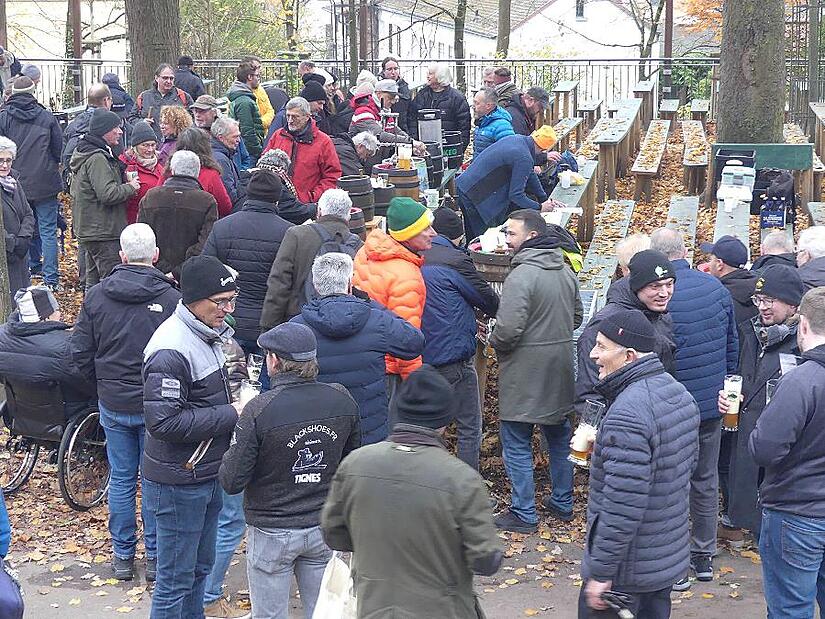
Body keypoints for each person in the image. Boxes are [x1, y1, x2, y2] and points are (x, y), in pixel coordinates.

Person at [321, 365, 503, 617]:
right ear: (444, 421)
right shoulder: (461, 479)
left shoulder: (354, 465)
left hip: (374, 607)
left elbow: (334, 535)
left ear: (398, 410)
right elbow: (487, 560)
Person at [219, 322, 360, 618]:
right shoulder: (342, 399)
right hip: (322, 526)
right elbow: (352, 464)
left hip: (272, 530)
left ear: (274, 361)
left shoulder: (258, 409)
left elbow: (231, 481)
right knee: (325, 613)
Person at [70, 223, 179, 582]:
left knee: (120, 478)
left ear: (121, 256)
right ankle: (155, 558)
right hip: (156, 405)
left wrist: (101, 384)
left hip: (114, 401)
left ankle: (122, 556)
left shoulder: (97, 296)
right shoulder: (171, 300)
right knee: (152, 481)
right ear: (156, 255)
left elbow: (80, 352)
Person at [142, 255, 245, 619]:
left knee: (200, 571)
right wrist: (232, 413)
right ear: (195, 299)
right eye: (221, 302)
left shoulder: (209, 334)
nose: (228, 310)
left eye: (232, 300)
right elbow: (163, 422)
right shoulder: (171, 348)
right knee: (174, 581)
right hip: (178, 480)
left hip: (206, 472)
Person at [580, 309, 699, 619]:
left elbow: (622, 504)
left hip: (625, 576)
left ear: (629, 355)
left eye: (602, 347)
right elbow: (677, 469)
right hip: (661, 565)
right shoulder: (679, 393)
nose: (593, 354)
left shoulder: (627, 414)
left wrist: (602, 572)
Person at [650, 228, 738, 588]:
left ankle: (672, 565)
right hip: (709, 405)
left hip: (670, 407)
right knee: (705, 480)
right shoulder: (716, 288)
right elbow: (732, 346)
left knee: (669, 484)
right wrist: (728, 388)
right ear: (684, 251)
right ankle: (703, 557)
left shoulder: (656, 297)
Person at [489, 209, 582, 532]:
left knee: (515, 440)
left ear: (531, 236)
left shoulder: (521, 275)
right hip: (558, 368)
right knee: (558, 437)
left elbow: (508, 330)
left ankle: (524, 512)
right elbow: (577, 318)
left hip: (524, 373)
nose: (506, 239)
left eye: (511, 234)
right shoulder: (565, 270)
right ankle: (563, 501)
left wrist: (494, 341)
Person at [292, 253, 424, 444]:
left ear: (315, 285)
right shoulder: (376, 319)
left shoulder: (297, 327)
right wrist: (371, 304)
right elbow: (414, 342)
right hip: (367, 432)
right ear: (349, 284)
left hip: (316, 432)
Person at [750, 287, 825, 618]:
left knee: (790, 610)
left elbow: (765, 449)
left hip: (797, 513)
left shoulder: (802, 380)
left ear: (803, 325)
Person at [722, 264, 804, 541]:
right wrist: (729, 397)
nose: (763, 307)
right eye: (759, 300)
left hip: (781, 448)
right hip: (748, 436)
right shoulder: (753, 334)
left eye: (771, 300)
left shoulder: (803, 344)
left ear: (793, 304)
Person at [421, 207, 499, 469]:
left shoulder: (413, 256)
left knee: (427, 426)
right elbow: (487, 299)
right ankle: (466, 483)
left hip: (418, 354)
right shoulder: (456, 260)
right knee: (469, 424)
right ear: (457, 236)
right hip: (452, 354)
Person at [353, 198, 435, 409]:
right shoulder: (406, 276)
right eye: (426, 228)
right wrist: (416, 387)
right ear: (408, 234)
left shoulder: (367, 252)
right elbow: (406, 340)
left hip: (361, 359)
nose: (433, 233)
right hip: (388, 368)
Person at [576, 249, 677, 417]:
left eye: (669, 284)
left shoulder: (659, 315)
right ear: (637, 286)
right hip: (620, 426)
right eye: (655, 286)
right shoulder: (606, 323)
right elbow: (589, 393)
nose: (664, 293)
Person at [202, 170, 292, 352]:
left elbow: (205, 272)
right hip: (270, 325)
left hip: (228, 321)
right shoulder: (290, 233)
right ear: (276, 198)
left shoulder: (222, 227)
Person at [261, 188, 360, 330]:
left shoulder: (297, 235)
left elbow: (279, 284)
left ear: (319, 211)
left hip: (299, 323)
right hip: (344, 325)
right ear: (348, 216)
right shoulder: (359, 245)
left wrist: (269, 327)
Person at [0, 76, 63, 291]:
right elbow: (58, 150)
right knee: (47, 230)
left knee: (20, 229)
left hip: (14, 184)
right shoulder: (47, 117)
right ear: (33, 92)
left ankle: (29, 270)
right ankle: (51, 280)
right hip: (45, 183)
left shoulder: (4, 117)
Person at [70, 107, 140, 290]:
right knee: (111, 283)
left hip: (91, 230)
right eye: (116, 127)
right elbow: (107, 193)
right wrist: (130, 188)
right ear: (104, 130)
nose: (120, 131)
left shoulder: (90, 152)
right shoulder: (98, 158)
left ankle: (90, 317)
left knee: (92, 286)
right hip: (103, 232)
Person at [0, 285, 95, 417]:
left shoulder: (2, 336)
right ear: (46, 317)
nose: (59, 312)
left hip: (21, 413)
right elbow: (87, 383)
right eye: (55, 309)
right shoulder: (65, 346)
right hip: (65, 414)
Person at [455, 127, 560, 241]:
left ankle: (469, 255)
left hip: (463, 185)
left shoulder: (517, 139)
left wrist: (543, 199)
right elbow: (516, 195)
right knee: (483, 240)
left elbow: (529, 173)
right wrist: (539, 207)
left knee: (472, 237)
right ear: (544, 149)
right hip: (475, 195)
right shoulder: (524, 156)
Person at [137, 150, 218, 281]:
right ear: (197, 172)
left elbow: (142, 238)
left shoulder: (151, 197)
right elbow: (205, 243)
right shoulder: (206, 201)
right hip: (190, 275)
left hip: (155, 273)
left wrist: (161, 268)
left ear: (172, 170)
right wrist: (179, 271)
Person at [263, 97, 342, 204]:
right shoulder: (278, 136)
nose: (290, 120)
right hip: (278, 204)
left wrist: (312, 197)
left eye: (295, 117)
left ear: (307, 117)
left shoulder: (323, 142)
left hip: (307, 205)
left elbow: (332, 176)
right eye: (288, 116)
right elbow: (264, 166)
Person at [410, 63, 471, 153]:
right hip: (423, 148)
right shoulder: (421, 95)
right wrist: (415, 141)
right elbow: (412, 120)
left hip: (449, 148)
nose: (427, 76)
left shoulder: (457, 98)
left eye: (431, 73)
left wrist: (459, 150)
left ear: (440, 76)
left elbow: (464, 127)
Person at [0, 136, 34, 296]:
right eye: (0, 160)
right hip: (5, 254)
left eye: (8, 160)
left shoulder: (14, 182)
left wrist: (23, 239)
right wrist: (12, 244)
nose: (5, 165)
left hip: (20, 253)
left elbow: (28, 213)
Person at [175, 125, 233, 218]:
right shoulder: (210, 174)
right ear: (205, 147)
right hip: (200, 227)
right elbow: (225, 207)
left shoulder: (169, 171)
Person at [701, 235, 758, 324]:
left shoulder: (718, 299)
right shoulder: (759, 289)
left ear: (719, 264)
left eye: (710, 259)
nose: (709, 263)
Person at [131, 63, 194, 140]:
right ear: (156, 78)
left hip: (176, 144)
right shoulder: (143, 97)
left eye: (171, 78)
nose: (169, 81)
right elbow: (131, 118)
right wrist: (142, 123)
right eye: (165, 78)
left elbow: (193, 119)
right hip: (151, 145)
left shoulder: (183, 96)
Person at [190, 95, 253, 171]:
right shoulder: (192, 136)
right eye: (195, 111)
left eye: (202, 111)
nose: (197, 115)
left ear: (214, 112)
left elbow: (245, 158)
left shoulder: (229, 129)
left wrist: (240, 175)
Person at [120, 121, 164, 224]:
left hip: (157, 220)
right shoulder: (124, 165)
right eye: (145, 145)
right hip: (134, 222)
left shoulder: (159, 164)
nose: (150, 149)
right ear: (135, 146)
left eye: (153, 145)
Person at [256, 149, 316, 224]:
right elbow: (294, 211)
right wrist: (316, 207)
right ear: (283, 169)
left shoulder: (246, 180)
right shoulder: (277, 187)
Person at [227, 62, 264, 162]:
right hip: (249, 154)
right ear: (249, 77)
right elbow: (247, 132)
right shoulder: (244, 102)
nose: (258, 79)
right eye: (257, 76)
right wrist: (259, 151)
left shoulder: (244, 97)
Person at [210, 117, 247, 211]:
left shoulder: (225, 154)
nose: (239, 140)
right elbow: (230, 195)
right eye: (235, 136)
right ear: (221, 138)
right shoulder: (221, 160)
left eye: (239, 136)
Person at [473, 87, 515, 156]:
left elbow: (509, 153)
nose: (473, 106)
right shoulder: (482, 122)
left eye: (477, 103)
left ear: (488, 106)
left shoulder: (502, 126)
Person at [240, 55, 275, 133]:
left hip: (264, 133)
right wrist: (259, 124)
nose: (259, 70)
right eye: (257, 67)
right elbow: (248, 125)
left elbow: (270, 111)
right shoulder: (240, 95)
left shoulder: (260, 89)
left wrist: (261, 123)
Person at [379, 56, 411, 133]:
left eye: (395, 69)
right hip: (384, 129)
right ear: (383, 71)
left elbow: (410, 114)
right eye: (389, 69)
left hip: (403, 128)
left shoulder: (405, 87)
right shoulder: (378, 87)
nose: (393, 72)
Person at [797, 226, 825, 290]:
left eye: (798, 252)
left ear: (805, 254)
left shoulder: (797, 280)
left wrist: (803, 267)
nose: (796, 257)